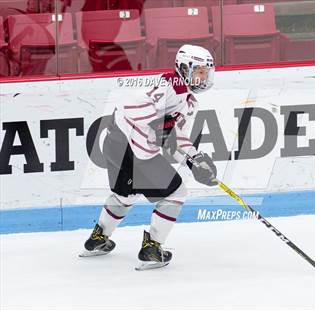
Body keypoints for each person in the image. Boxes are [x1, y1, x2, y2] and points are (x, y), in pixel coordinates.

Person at [81, 45, 218, 270]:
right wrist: (158, 124)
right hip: (132, 149)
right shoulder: (168, 84)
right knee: (176, 193)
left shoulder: (189, 100)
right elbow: (131, 106)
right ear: (184, 68)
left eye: (206, 72)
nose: (204, 77)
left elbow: (177, 136)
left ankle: (98, 238)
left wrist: (196, 159)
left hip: (115, 144)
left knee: (125, 194)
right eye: (200, 71)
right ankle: (152, 247)